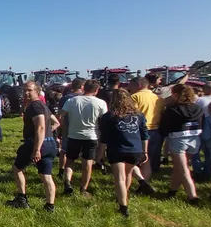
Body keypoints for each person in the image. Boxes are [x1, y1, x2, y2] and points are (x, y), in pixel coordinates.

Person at [6, 81, 61, 211]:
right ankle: (50, 206)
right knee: (46, 175)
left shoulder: (35, 107)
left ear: (37, 91)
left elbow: (40, 127)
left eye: (29, 90)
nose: (26, 93)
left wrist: (37, 148)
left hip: (36, 144)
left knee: (17, 168)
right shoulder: (43, 105)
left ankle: (22, 198)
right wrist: (48, 133)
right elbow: (56, 123)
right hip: (49, 143)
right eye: (25, 90)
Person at [98, 90, 149, 218]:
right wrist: (145, 151)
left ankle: (123, 206)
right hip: (135, 149)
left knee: (119, 178)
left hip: (117, 149)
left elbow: (104, 138)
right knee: (128, 175)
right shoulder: (139, 116)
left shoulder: (109, 116)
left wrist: (100, 153)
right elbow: (144, 136)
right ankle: (124, 197)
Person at [60, 79, 107, 196]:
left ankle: (67, 182)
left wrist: (65, 128)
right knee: (87, 163)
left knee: (70, 160)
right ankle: (83, 188)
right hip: (91, 136)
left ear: (84, 88)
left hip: (73, 135)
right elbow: (105, 120)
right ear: (96, 90)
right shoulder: (100, 103)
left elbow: (60, 116)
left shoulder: (71, 100)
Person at [159, 84, 203, 204]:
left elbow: (164, 127)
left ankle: (193, 196)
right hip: (194, 139)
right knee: (179, 167)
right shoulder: (198, 108)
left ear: (176, 94)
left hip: (178, 140)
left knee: (184, 169)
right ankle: (172, 190)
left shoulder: (172, 110)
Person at [130, 77, 164, 192]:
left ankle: (133, 183)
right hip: (155, 130)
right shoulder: (157, 98)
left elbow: (131, 115)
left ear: (138, 85)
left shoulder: (134, 97)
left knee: (131, 159)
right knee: (147, 159)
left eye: (131, 85)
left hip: (139, 131)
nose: (130, 87)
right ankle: (143, 184)